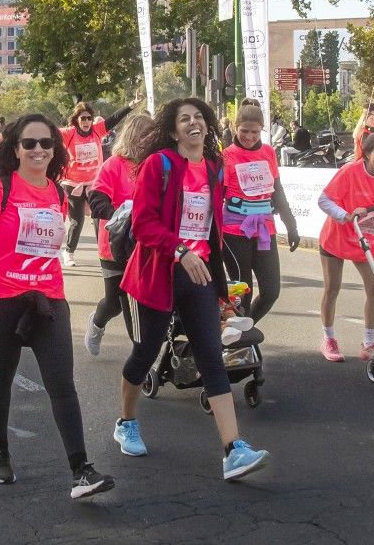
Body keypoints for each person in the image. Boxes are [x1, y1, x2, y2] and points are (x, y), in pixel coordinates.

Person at [0, 113, 114, 500]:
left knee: (62, 385)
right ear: (16, 148)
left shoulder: (58, 193)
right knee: (1, 376)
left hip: (48, 301)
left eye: (46, 143)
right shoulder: (0, 191)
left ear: (55, 149)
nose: (38, 149)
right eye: (29, 143)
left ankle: (81, 470)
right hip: (1, 300)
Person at [113, 97, 271, 483]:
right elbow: (143, 225)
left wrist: (221, 281)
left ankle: (233, 449)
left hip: (198, 275)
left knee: (211, 356)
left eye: (198, 117)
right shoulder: (159, 165)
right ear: (173, 131)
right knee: (146, 350)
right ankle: (127, 421)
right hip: (156, 274)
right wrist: (180, 251)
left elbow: (212, 228)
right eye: (184, 119)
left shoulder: (216, 169)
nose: (193, 123)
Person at [315, 131, 374, 362]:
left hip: (367, 239)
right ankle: (328, 338)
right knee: (332, 288)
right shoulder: (350, 171)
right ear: (366, 154)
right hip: (338, 236)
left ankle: (368, 342)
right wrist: (345, 216)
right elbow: (324, 200)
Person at [221, 100, 299, 325]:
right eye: (244, 131)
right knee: (242, 293)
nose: (249, 137)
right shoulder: (227, 156)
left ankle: (242, 330)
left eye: (255, 132)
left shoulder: (268, 152)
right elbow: (218, 197)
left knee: (271, 291)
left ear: (262, 129)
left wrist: (291, 225)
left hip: (264, 228)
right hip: (235, 230)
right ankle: (242, 341)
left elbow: (278, 191)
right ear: (236, 128)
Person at [84, 113, 155, 356]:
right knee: (115, 302)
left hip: (147, 243)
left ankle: (140, 353)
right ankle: (97, 323)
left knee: (136, 300)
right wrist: (122, 215)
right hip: (116, 245)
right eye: (145, 136)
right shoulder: (114, 164)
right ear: (133, 137)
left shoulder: (155, 163)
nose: (149, 141)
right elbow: (96, 199)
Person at [59, 97, 138, 268]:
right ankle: (69, 252)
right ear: (77, 120)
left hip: (94, 184)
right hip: (74, 184)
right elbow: (50, 133)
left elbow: (114, 118)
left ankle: (104, 251)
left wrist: (130, 106)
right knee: (77, 221)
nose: (86, 121)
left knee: (99, 218)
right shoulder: (69, 133)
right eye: (83, 118)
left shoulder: (97, 130)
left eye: (89, 118)